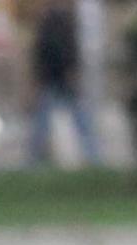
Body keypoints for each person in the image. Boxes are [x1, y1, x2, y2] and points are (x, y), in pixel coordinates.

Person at [26, 2, 101, 166]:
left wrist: (69, 71)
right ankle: (93, 155)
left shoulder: (55, 22)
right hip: (55, 77)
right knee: (51, 120)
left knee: (66, 119)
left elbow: (57, 50)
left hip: (58, 77)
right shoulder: (60, 21)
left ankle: (93, 155)